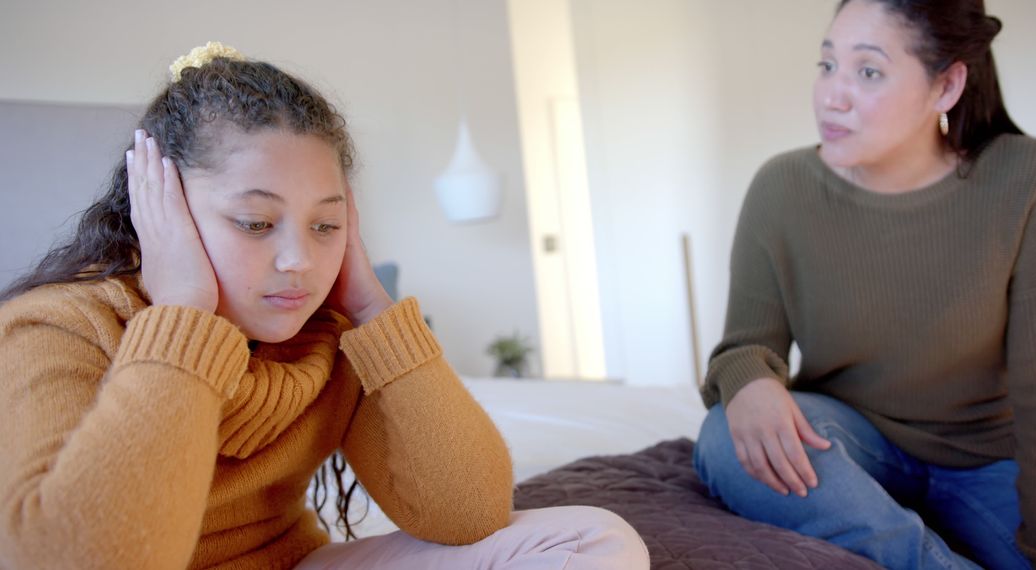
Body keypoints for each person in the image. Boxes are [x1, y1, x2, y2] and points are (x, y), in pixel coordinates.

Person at [0, 42, 649, 570]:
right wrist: (184, 317)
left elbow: (469, 513)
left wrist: (370, 306)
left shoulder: (323, 336)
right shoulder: (57, 327)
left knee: (592, 541)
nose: (299, 263)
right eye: (255, 223)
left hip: (295, 564)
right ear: (158, 212)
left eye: (325, 226)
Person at [692, 1, 1036, 569]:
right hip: (846, 445)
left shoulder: (1030, 179)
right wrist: (749, 382)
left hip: (989, 459)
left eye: (867, 71)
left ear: (946, 86)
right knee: (724, 437)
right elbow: (747, 346)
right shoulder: (781, 189)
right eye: (827, 66)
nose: (832, 95)